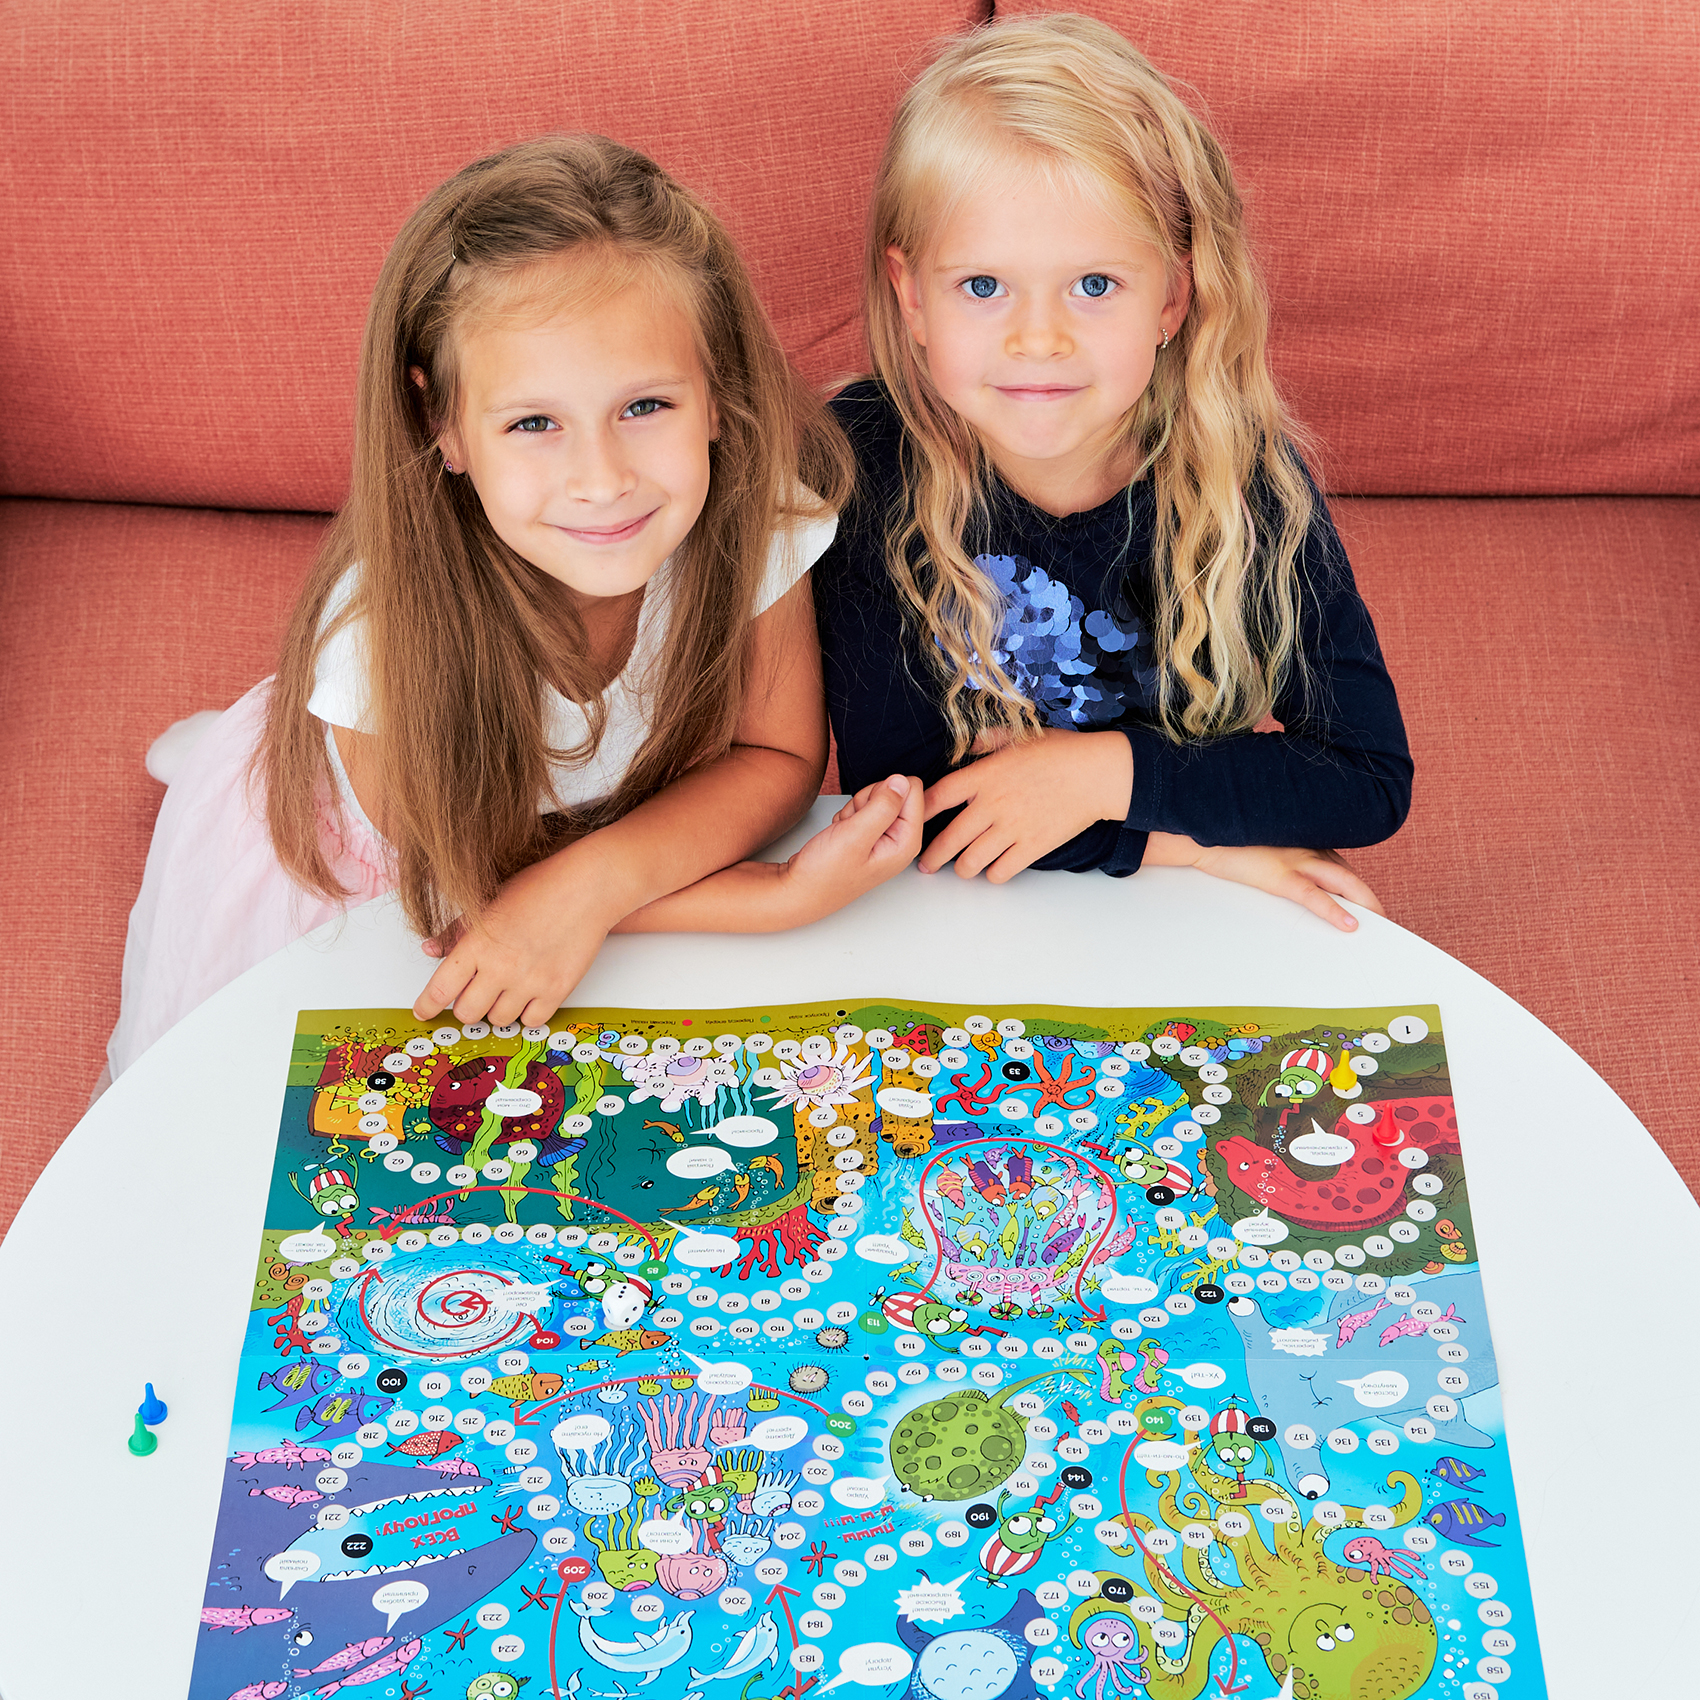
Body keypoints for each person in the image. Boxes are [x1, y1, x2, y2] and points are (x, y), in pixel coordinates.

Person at [106, 134, 922, 1080]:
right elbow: (464, 913)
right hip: (390, 887)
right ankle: (235, 764)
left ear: (716, 392)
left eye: (645, 407)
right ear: (443, 425)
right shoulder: (381, 646)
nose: (602, 480)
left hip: (558, 842)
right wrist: (774, 897)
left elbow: (775, 757)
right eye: (535, 423)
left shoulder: (755, 516)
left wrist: (594, 881)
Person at [814, 14, 1412, 928]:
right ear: (912, 298)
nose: (1038, 338)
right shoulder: (862, 467)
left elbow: (1366, 779)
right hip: (954, 920)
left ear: (1172, 297)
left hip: (1168, 933)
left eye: (1094, 285)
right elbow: (905, 802)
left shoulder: (1245, 479)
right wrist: (1190, 844)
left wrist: (1108, 776)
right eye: (983, 286)